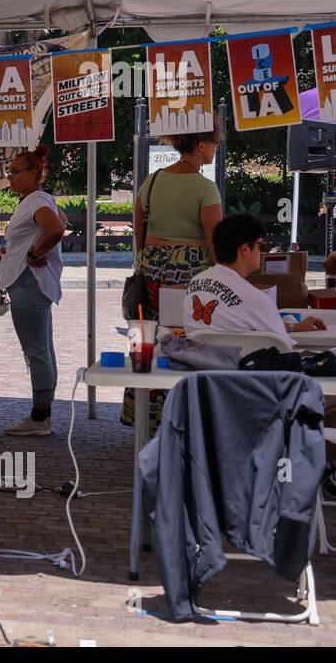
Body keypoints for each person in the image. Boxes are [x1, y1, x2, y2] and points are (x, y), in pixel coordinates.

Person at [124, 121, 224, 432]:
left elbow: (139, 234)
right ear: (201, 146)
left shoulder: (151, 182)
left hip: (152, 272)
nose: (216, 148)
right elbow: (216, 241)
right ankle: (181, 418)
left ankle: (146, 418)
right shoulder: (205, 188)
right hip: (191, 274)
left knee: (150, 342)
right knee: (187, 343)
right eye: (214, 142)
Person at [0, 145, 67, 437]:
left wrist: (34, 252)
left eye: (15, 172)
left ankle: (40, 417)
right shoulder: (40, 198)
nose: (10, 176)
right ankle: (43, 412)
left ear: (34, 173)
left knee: (36, 351)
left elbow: (56, 228)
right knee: (42, 350)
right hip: (31, 282)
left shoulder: (37, 200)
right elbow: (62, 221)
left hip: (29, 282)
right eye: (9, 172)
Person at [183, 214, 324, 347]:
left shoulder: (194, 283)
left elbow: (229, 326)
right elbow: (285, 346)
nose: (264, 252)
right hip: (243, 363)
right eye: (262, 246)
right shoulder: (255, 298)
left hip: (198, 361)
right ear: (245, 249)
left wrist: (294, 326)